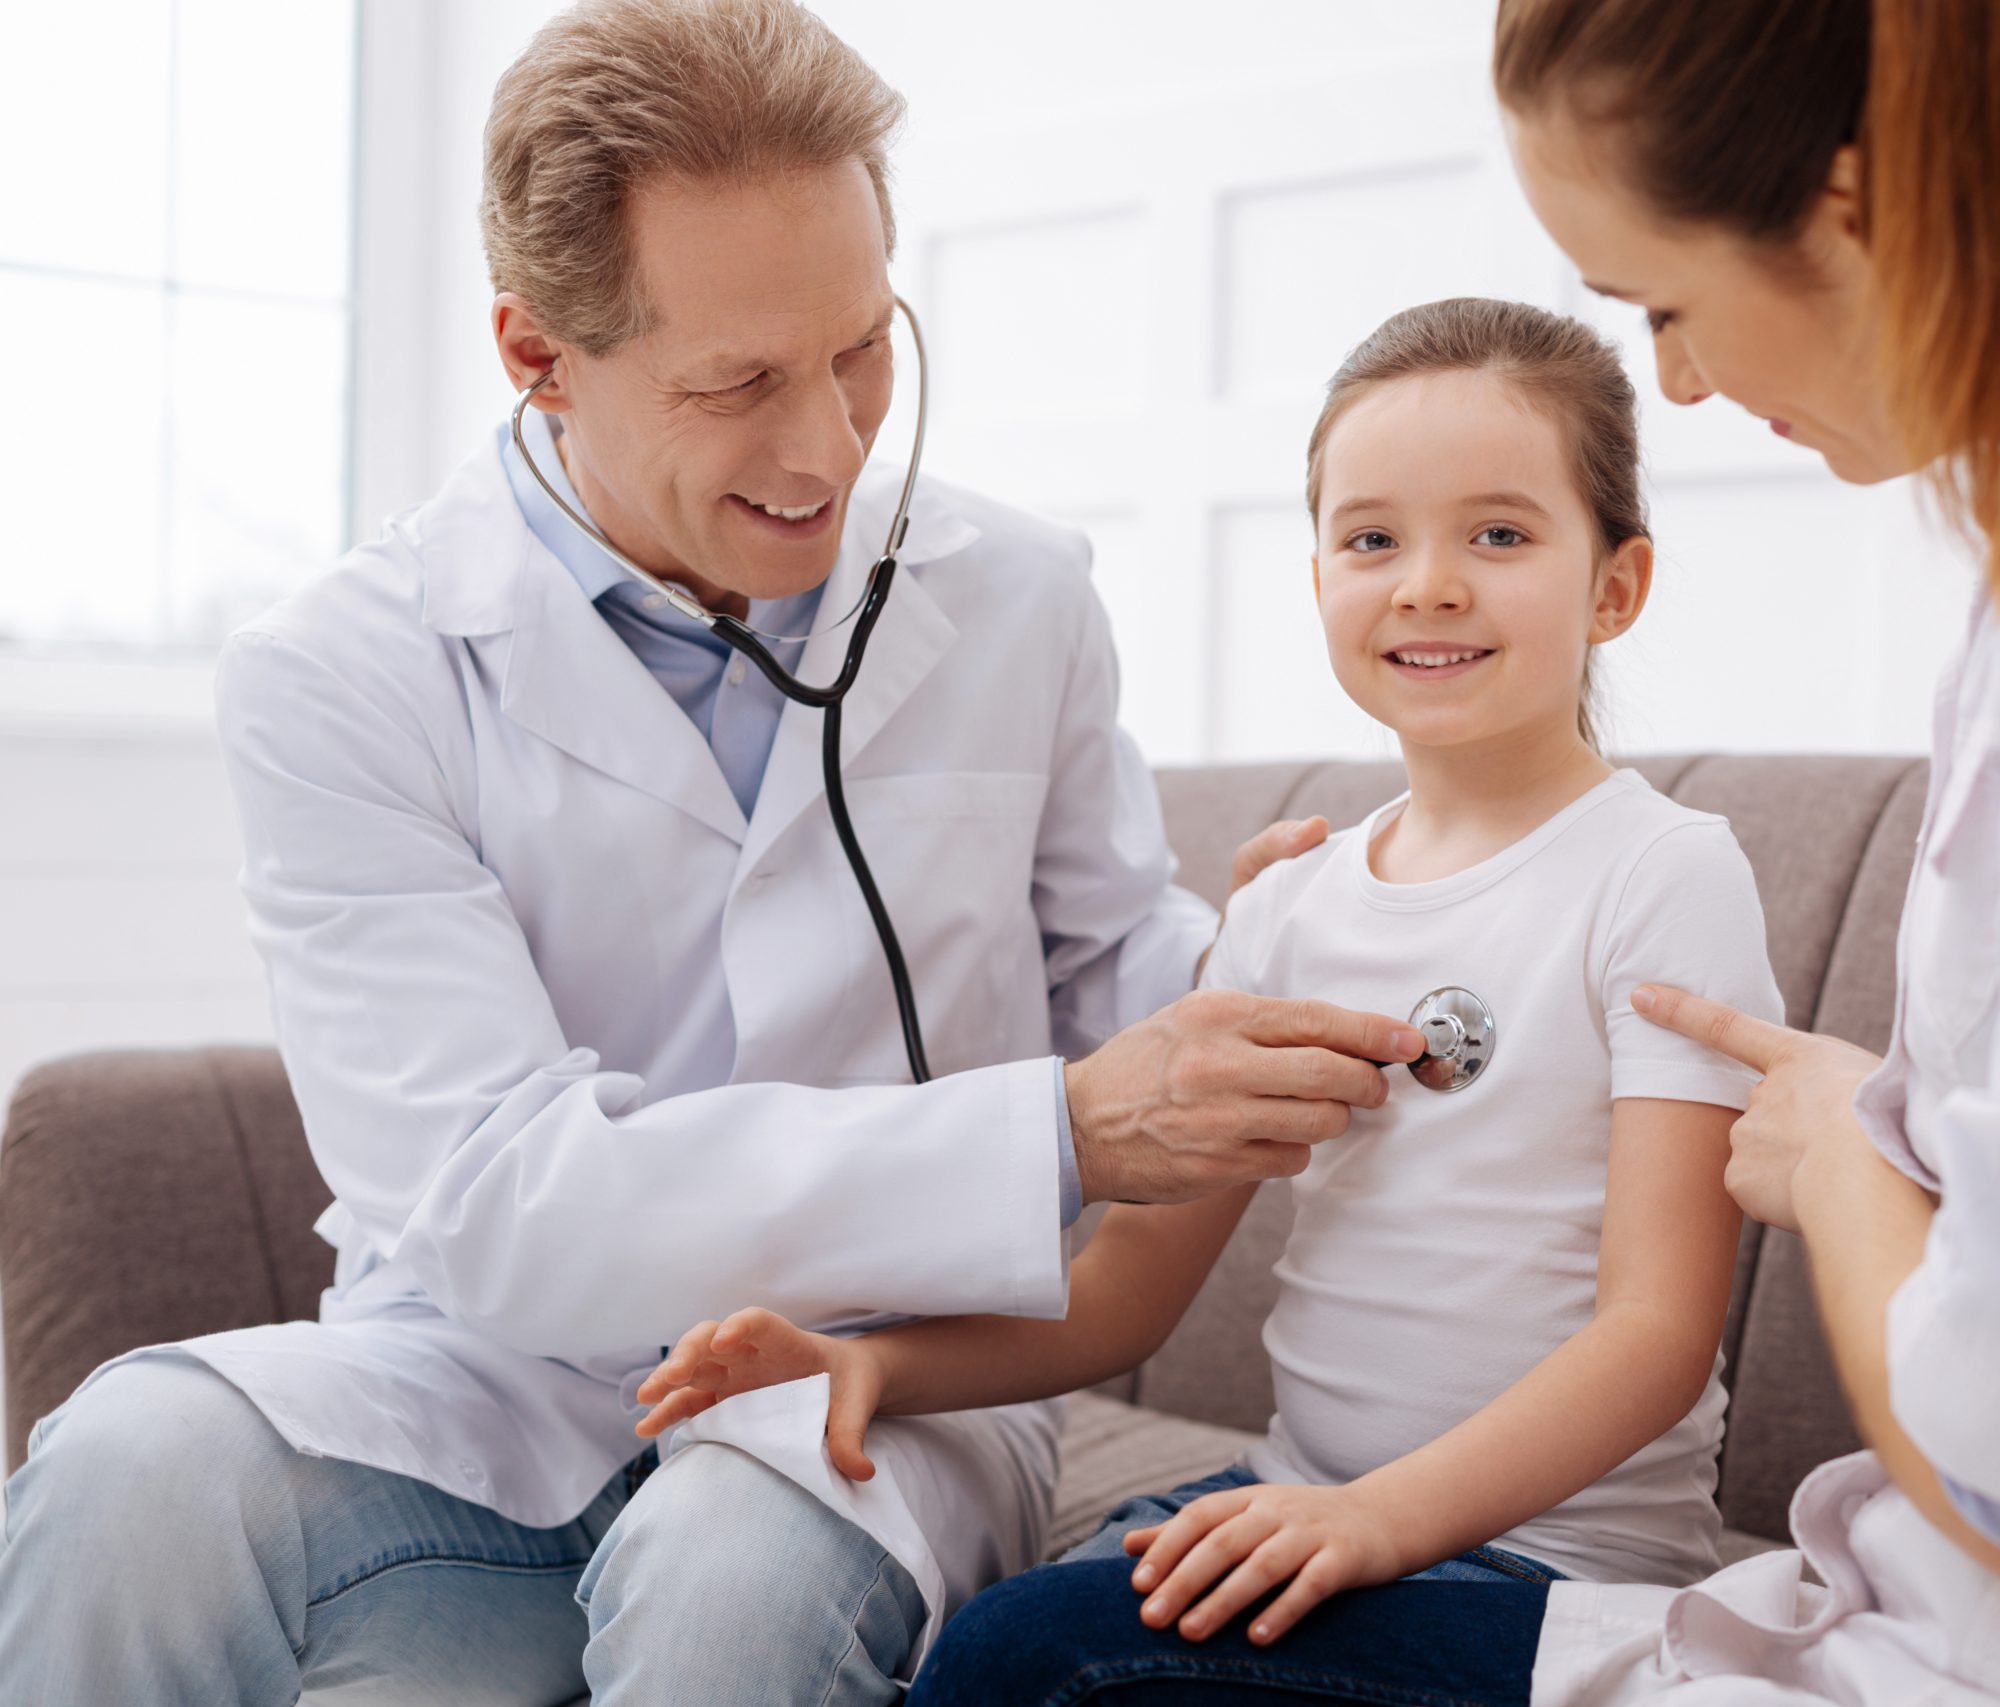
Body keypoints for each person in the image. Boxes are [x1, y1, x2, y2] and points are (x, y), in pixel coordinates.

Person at [867, 0, 2000, 1702]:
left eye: (1665, 303)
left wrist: (1845, 1153)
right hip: (1985, 1595)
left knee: (1042, 1667)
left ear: (1848, 207)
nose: (1675, 375)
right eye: (1366, 536)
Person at [0, 3, 1419, 1702]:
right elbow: (503, 1207)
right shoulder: (343, 670)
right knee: (128, 1464)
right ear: (539, 354)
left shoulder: (1018, 596)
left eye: (862, 346)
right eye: (737, 382)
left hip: (890, 1376)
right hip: (490, 1382)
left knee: (730, 1573)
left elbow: (1115, 964)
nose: (828, 446)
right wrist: (1055, 1126)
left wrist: (1253, 952)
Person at [631, 297, 1788, 1692]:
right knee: (960, 1649)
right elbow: (1125, 1295)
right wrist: (870, 1366)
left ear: (1616, 587)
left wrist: (1372, 1522)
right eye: (1372, 539)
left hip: (1550, 1569)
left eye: (1498, 533)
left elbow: (1657, 1337)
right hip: (1297, 1506)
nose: (1426, 583)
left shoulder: (1662, 874)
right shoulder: (1288, 908)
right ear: (1317, 584)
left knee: (1028, 1665)